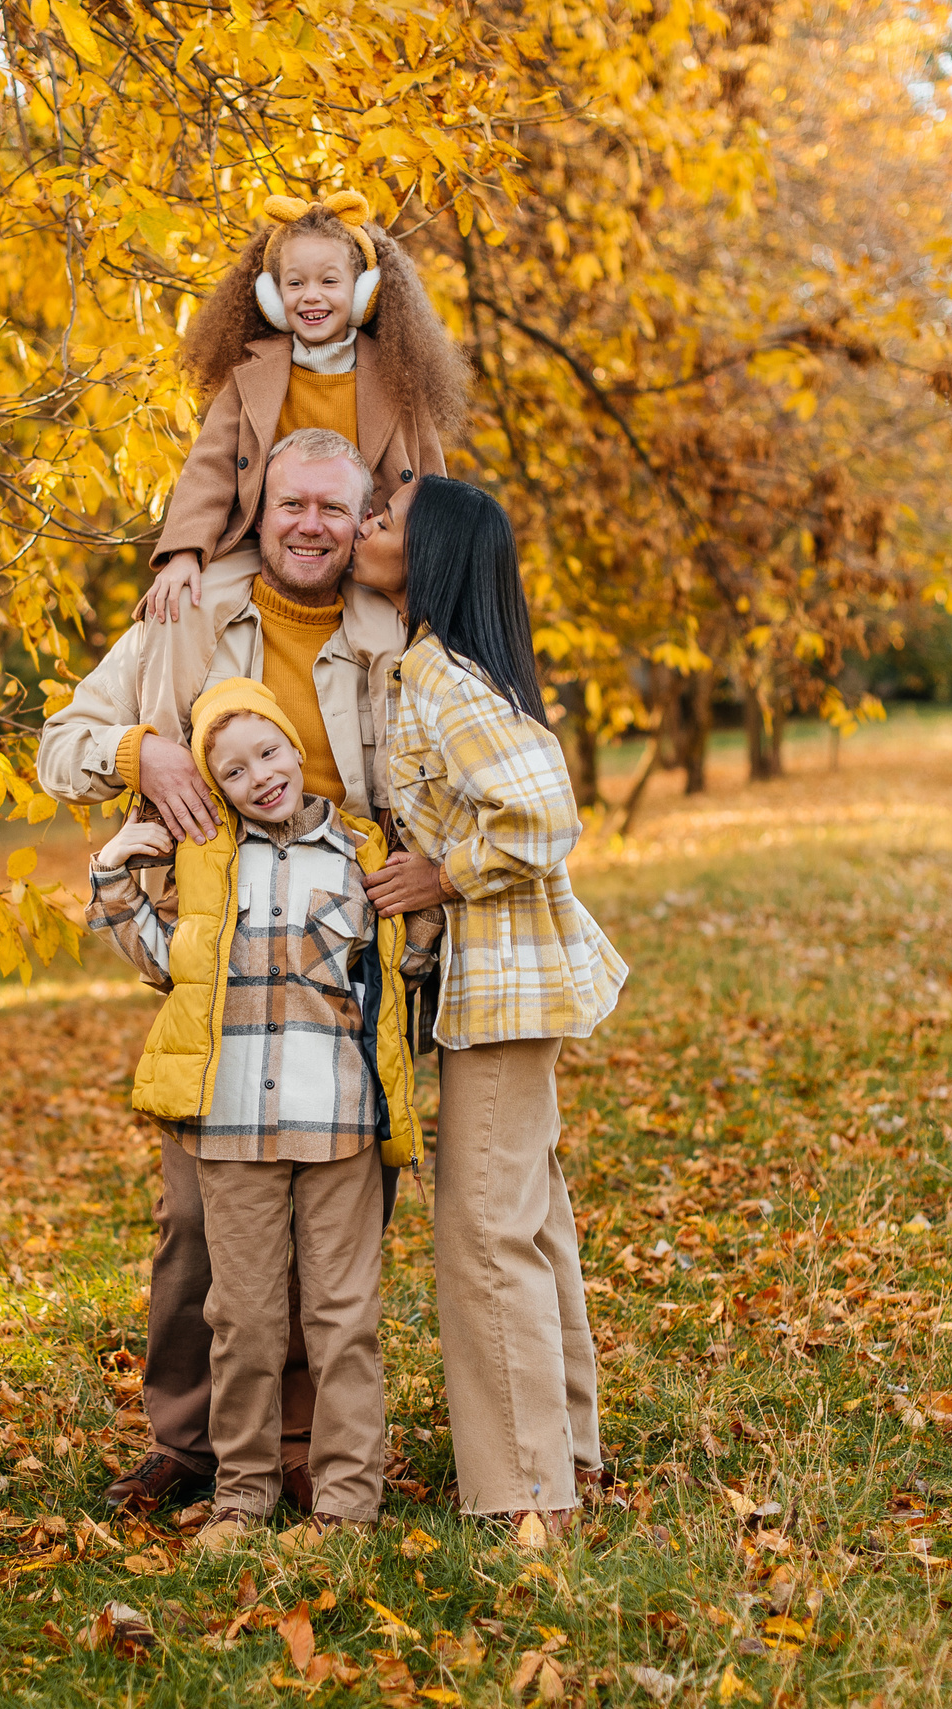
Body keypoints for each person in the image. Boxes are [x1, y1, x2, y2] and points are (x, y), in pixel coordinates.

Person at [36, 429, 398, 1516]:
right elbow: (62, 741)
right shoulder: (184, 613)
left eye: (335, 509)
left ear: (357, 519)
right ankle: (192, 1440)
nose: (310, 524)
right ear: (259, 504)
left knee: (338, 1221)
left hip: (345, 947)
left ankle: (311, 1452)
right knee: (202, 1226)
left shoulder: (388, 627)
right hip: (218, 964)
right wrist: (136, 749)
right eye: (291, 502)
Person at [85, 679, 441, 1544]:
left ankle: (348, 1500)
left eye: (269, 752)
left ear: (295, 749)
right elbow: (169, 963)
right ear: (217, 786)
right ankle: (244, 1494)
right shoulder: (208, 865)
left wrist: (427, 912)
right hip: (234, 1126)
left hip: (341, 1124)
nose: (260, 777)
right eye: (233, 769)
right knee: (241, 1316)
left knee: (342, 1319)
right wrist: (113, 872)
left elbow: (405, 972)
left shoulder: (359, 857)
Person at [356, 476, 629, 1541]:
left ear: (430, 553)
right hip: (502, 980)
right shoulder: (444, 663)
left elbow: (546, 816)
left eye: (388, 514)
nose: (369, 522)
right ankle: (569, 1457)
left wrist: (440, 875)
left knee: (481, 1230)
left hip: (502, 982)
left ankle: (526, 1492)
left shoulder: (441, 676)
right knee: (529, 1215)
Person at [129, 190, 466, 649]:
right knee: (185, 606)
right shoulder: (252, 376)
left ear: (363, 291)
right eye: (294, 284)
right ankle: (159, 721)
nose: (311, 297)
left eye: (329, 282)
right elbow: (209, 469)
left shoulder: (397, 377)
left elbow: (430, 485)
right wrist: (184, 554)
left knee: (393, 643)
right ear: (271, 295)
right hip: (266, 545)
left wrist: (435, 574)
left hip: (363, 552)